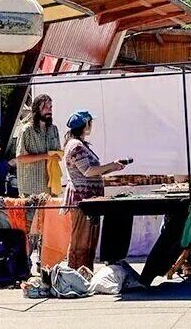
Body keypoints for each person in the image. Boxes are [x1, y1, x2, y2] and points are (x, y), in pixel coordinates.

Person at [62, 110, 129, 271]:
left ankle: (85, 273)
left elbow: (95, 170)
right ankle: (75, 273)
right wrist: (111, 165)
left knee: (90, 241)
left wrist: (113, 168)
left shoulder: (81, 145)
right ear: (86, 124)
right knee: (81, 241)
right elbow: (87, 171)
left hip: (91, 200)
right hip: (82, 200)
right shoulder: (76, 146)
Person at [15, 94, 62, 197]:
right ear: (36, 109)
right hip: (32, 189)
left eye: (50, 107)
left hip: (51, 187)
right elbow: (20, 158)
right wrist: (45, 156)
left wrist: (58, 155)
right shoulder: (26, 130)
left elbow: (57, 153)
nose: (49, 111)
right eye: (45, 107)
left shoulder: (53, 129)